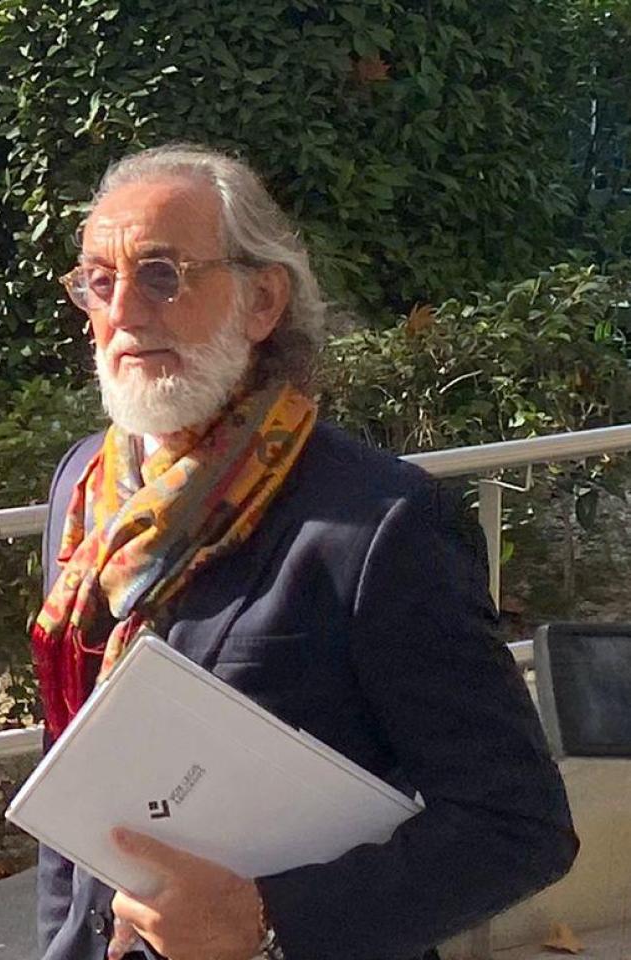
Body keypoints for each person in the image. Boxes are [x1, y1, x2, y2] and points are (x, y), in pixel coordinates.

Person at [31, 145, 577, 960]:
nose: (124, 312)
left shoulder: (378, 524)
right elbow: (69, 775)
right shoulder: (83, 487)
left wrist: (267, 919)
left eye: (161, 275)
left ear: (262, 300)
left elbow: (518, 824)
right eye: (98, 282)